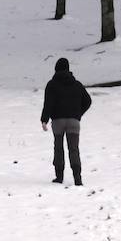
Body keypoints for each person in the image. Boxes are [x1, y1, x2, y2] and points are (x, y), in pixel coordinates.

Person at [40, 56, 91, 185]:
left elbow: (48, 104)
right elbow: (88, 101)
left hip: (58, 121)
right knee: (74, 149)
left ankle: (59, 176)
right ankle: (77, 178)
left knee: (58, 148)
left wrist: (44, 119)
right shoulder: (77, 84)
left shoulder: (52, 85)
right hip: (74, 122)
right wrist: (78, 114)